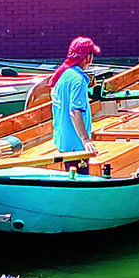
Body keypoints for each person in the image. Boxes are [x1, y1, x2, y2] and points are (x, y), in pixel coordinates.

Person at [48, 36, 101, 175]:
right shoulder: (78, 80)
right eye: (92, 54)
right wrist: (85, 140)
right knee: (80, 178)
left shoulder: (64, 74)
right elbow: (74, 112)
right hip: (75, 145)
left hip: (62, 141)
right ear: (87, 57)